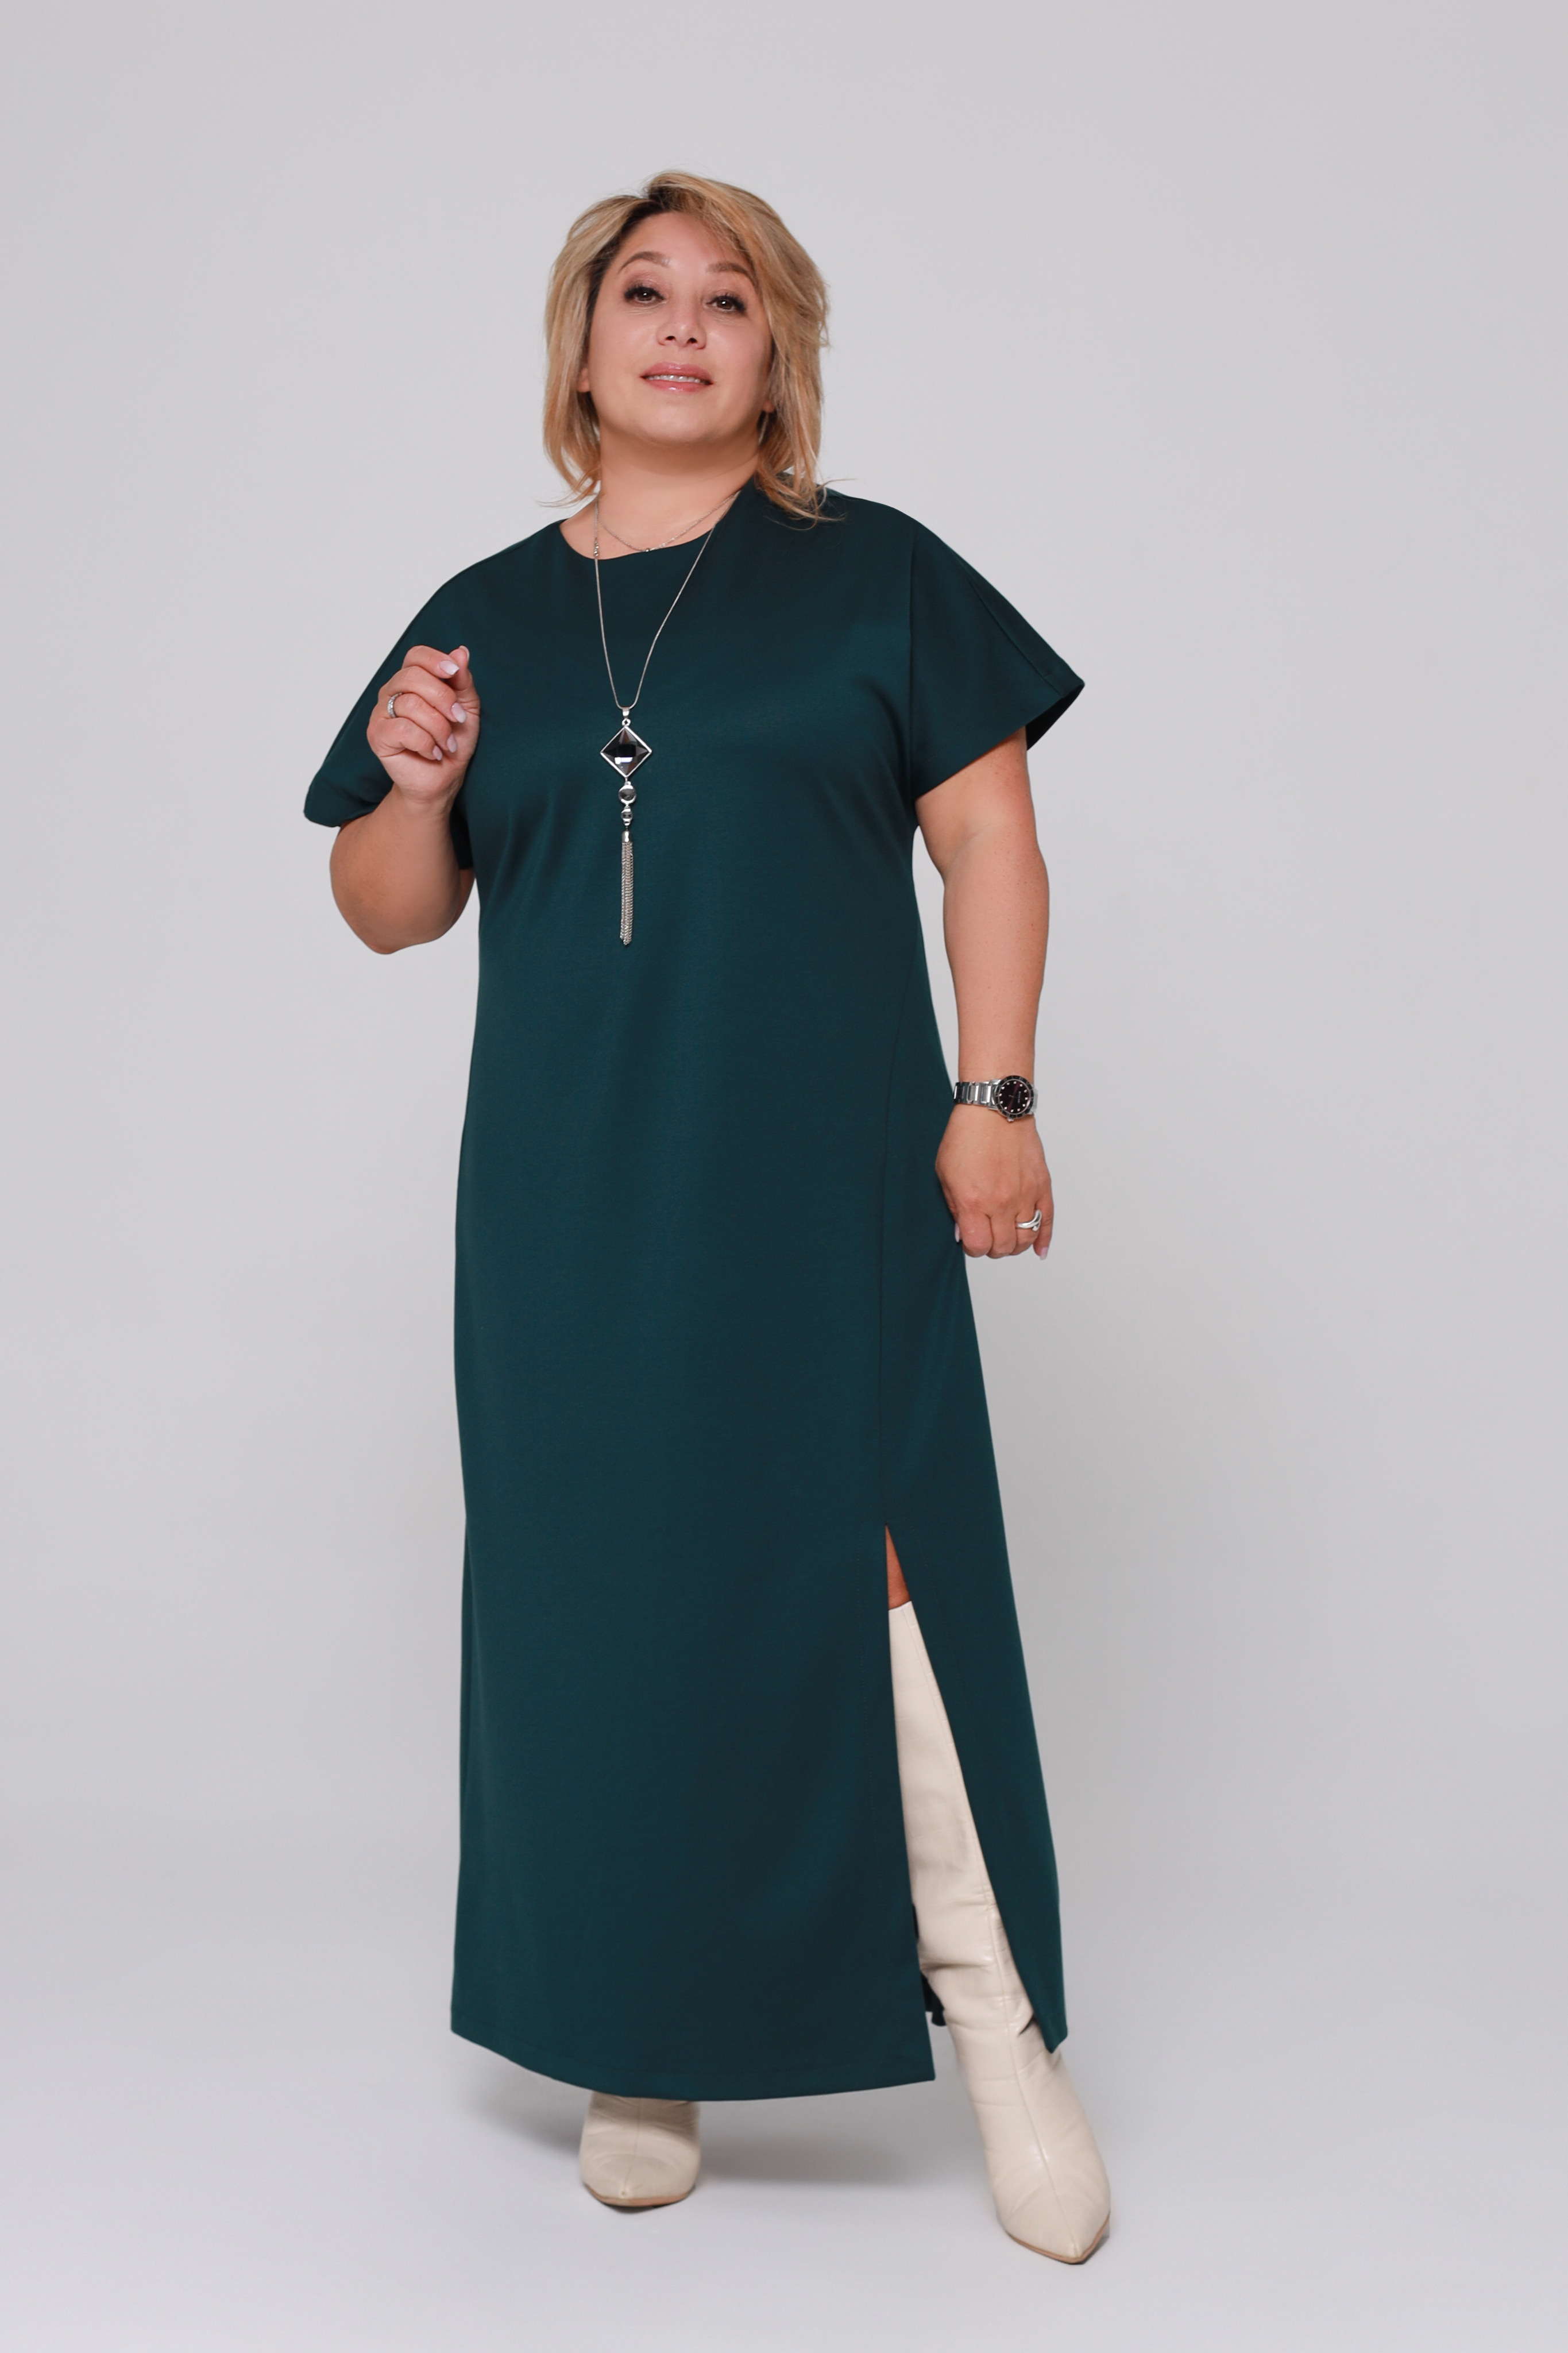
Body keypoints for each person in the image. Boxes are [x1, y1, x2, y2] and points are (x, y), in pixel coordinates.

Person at [305, 171, 1110, 2261]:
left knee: (875, 1576)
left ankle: (996, 2028)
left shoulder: (878, 577)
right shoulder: (478, 614)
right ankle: (633, 2030)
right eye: (641, 293)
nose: (681, 325)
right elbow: (388, 911)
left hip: (823, 1178)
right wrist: (412, 786)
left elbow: (990, 844)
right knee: (597, 1608)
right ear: (580, 350)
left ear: (777, 353)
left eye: (725, 298)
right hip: (566, 1202)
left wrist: (994, 1094)